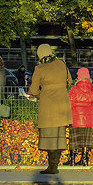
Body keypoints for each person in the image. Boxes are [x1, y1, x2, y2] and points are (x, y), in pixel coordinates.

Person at [28, 44, 72, 175]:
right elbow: (69, 80)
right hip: (62, 105)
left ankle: (52, 167)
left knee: (49, 136)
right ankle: (54, 165)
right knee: (59, 136)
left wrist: (43, 94)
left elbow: (34, 90)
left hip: (48, 106)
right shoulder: (62, 64)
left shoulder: (39, 68)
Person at [65, 67, 93, 166]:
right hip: (88, 120)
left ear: (79, 77)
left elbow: (69, 103)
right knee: (86, 140)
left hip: (76, 118)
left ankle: (72, 160)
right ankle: (84, 160)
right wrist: (89, 110)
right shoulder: (92, 89)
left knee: (74, 139)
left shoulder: (74, 89)